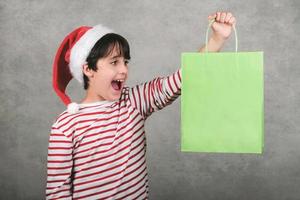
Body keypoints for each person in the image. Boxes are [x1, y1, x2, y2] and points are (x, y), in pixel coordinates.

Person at [46, 12, 236, 199]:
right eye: (114, 62)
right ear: (88, 69)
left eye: (125, 62)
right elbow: (57, 194)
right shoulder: (65, 126)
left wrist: (217, 39)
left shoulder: (134, 102)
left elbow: (183, 77)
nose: (124, 70)